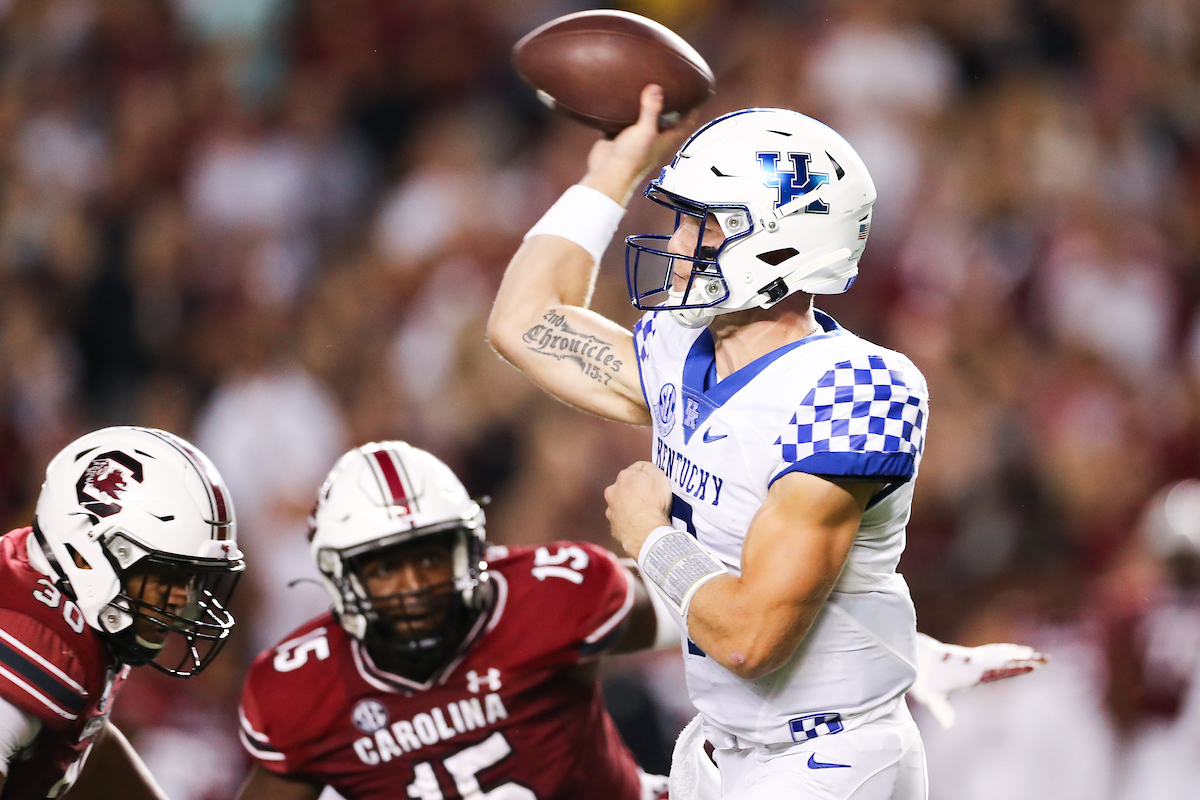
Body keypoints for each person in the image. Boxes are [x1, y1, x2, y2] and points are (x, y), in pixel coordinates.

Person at [487, 87, 1044, 799]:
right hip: (726, 746)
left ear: (787, 240)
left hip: (829, 754)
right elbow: (526, 322)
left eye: (707, 225)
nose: (681, 242)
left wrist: (647, 534)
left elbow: (752, 638)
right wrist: (612, 173)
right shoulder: (684, 346)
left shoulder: (853, 390)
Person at [233, 441, 670, 800]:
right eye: (386, 569)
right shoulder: (302, 689)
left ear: (469, 549)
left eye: (429, 557)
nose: (414, 585)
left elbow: (702, 618)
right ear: (342, 577)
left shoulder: (550, 596)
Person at [0, 426, 245, 800]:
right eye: (167, 574)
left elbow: (80, 745)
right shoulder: (31, 650)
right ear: (89, 553)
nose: (183, 598)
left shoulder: (51, 589)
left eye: (192, 578)